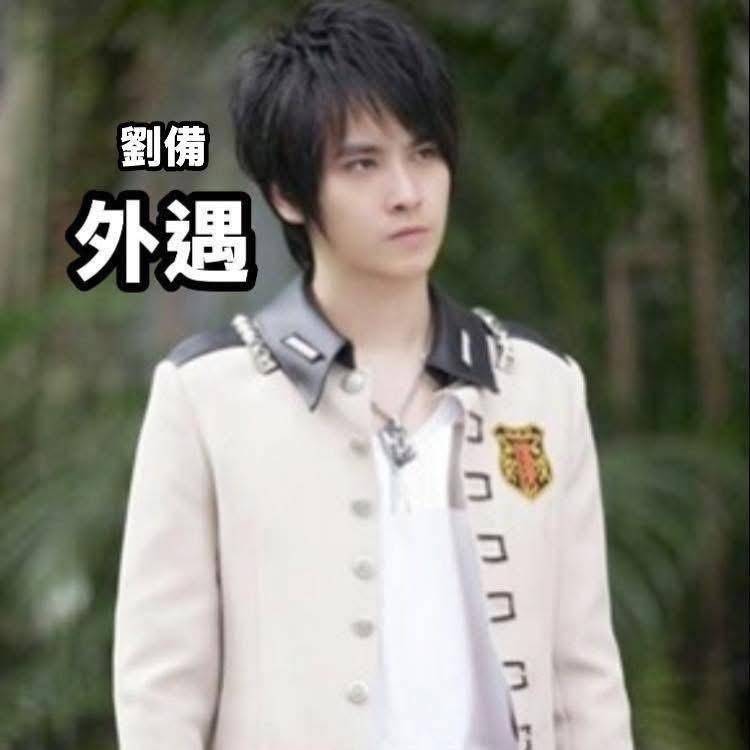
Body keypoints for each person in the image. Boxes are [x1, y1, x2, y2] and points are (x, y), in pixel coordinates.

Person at [112, 2, 635, 749]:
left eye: (425, 153)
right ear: (287, 194)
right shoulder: (208, 399)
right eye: (362, 163)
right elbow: (161, 695)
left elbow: (585, 676)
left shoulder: (541, 388)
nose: (407, 191)